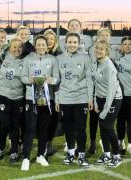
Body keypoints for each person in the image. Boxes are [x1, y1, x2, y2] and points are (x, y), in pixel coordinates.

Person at [21, 35, 59, 171]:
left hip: (47, 99)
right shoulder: (28, 59)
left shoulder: (53, 59)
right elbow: (23, 77)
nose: (41, 46)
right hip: (31, 99)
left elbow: (57, 78)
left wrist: (51, 81)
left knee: (44, 129)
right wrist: (30, 80)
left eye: (44, 44)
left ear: (47, 46)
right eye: (39, 44)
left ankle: (40, 155)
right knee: (30, 128)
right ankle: (26, 157)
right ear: (35, 45)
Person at [55, 32, 93, 167]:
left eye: (74, 42)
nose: (72, 45)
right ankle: (71, 153)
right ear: (65, 43)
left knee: (81, 128)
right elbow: (57, 81)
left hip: (81, 98)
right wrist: (57, 99)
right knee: (68, 128)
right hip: (65, 98)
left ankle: (82, 155)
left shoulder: (86, 58)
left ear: (79, 44)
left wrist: (90, 99)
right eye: (69, 42)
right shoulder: (58, 59)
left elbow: (89, 79)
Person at [0, 38, 25, 163]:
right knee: (5, 123)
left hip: (18, 97)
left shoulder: (25, 61)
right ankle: (0, 148)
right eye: (14, 47)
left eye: (20, 47)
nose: (17, 49)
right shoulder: (2, 57)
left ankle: (14, 151)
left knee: (15, 125)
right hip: (2, 95)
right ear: (9, 48)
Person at [91, 40, 122, 168]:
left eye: (102, 49)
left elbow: (111, 90)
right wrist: (95, 101)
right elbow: (95, 84)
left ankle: (117, 155)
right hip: (100, 98)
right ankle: (107, 154)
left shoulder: (109, 66)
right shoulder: (96, 62)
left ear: (107, 51)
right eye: (97, 48)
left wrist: (105, 109)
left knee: (108, 127)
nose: (98, 50)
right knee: (103, 127)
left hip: (113, 99)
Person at [88, 28, 114, 154]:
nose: (104, 37)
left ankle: (109, 144)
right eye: (102, 35)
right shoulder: (92, 50)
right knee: (93, 118)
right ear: (97, 36)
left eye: (106, 35)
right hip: (95, 89)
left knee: (107, 120)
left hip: (109, 89)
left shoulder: (114, 52)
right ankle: (92, 142)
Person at [114, 36, 131, 155]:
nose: (127, 46)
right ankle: (120, 142)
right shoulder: (117, 58)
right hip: (119, 95)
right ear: (121, 46)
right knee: (120, 120)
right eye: (125, 44)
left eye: (130, 44)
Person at [43, 29, 62, 156]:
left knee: (53, 119)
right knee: (42, 118)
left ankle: (48, 143)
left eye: (52, 39)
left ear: (55, 41)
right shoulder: (38, 54)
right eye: (47, 39)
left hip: (54, 91)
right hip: (41, 92)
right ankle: (43, 144)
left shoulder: (59, 54)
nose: (49, 41)